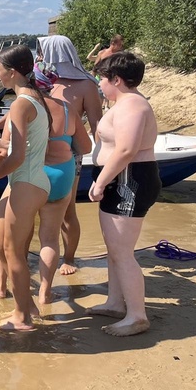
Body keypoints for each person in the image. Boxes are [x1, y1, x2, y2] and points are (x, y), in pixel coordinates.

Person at [86, 52, 159, 337]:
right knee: (114, 248)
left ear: (116, 80)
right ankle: (116, 303)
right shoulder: (126, 103)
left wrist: (100, 182)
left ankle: (137, 315)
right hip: (123, 179)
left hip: (128, 180)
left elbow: (127, 150)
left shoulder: (132, 106)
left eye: (102, 79)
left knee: (122, 251)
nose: (100, 85)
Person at [0, 45, 51, 331]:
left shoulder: (21, 103)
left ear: (12, 72)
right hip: (25, 181)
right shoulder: (32, 98)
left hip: (27, 182)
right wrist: (1, 144)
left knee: (13, 251)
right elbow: (24, 147)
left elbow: (20, 157)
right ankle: (30, 306)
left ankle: (21, 316)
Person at [38, 35, 103, 275]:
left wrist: (101, 158)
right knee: (34, 208)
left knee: (67, 210)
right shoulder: (41, 80)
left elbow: (97, 123)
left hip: (70, 153)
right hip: (37, 154)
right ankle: (45, 253)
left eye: (43, 51)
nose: (41, 56)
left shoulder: (86, 84)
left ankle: (69, 258)